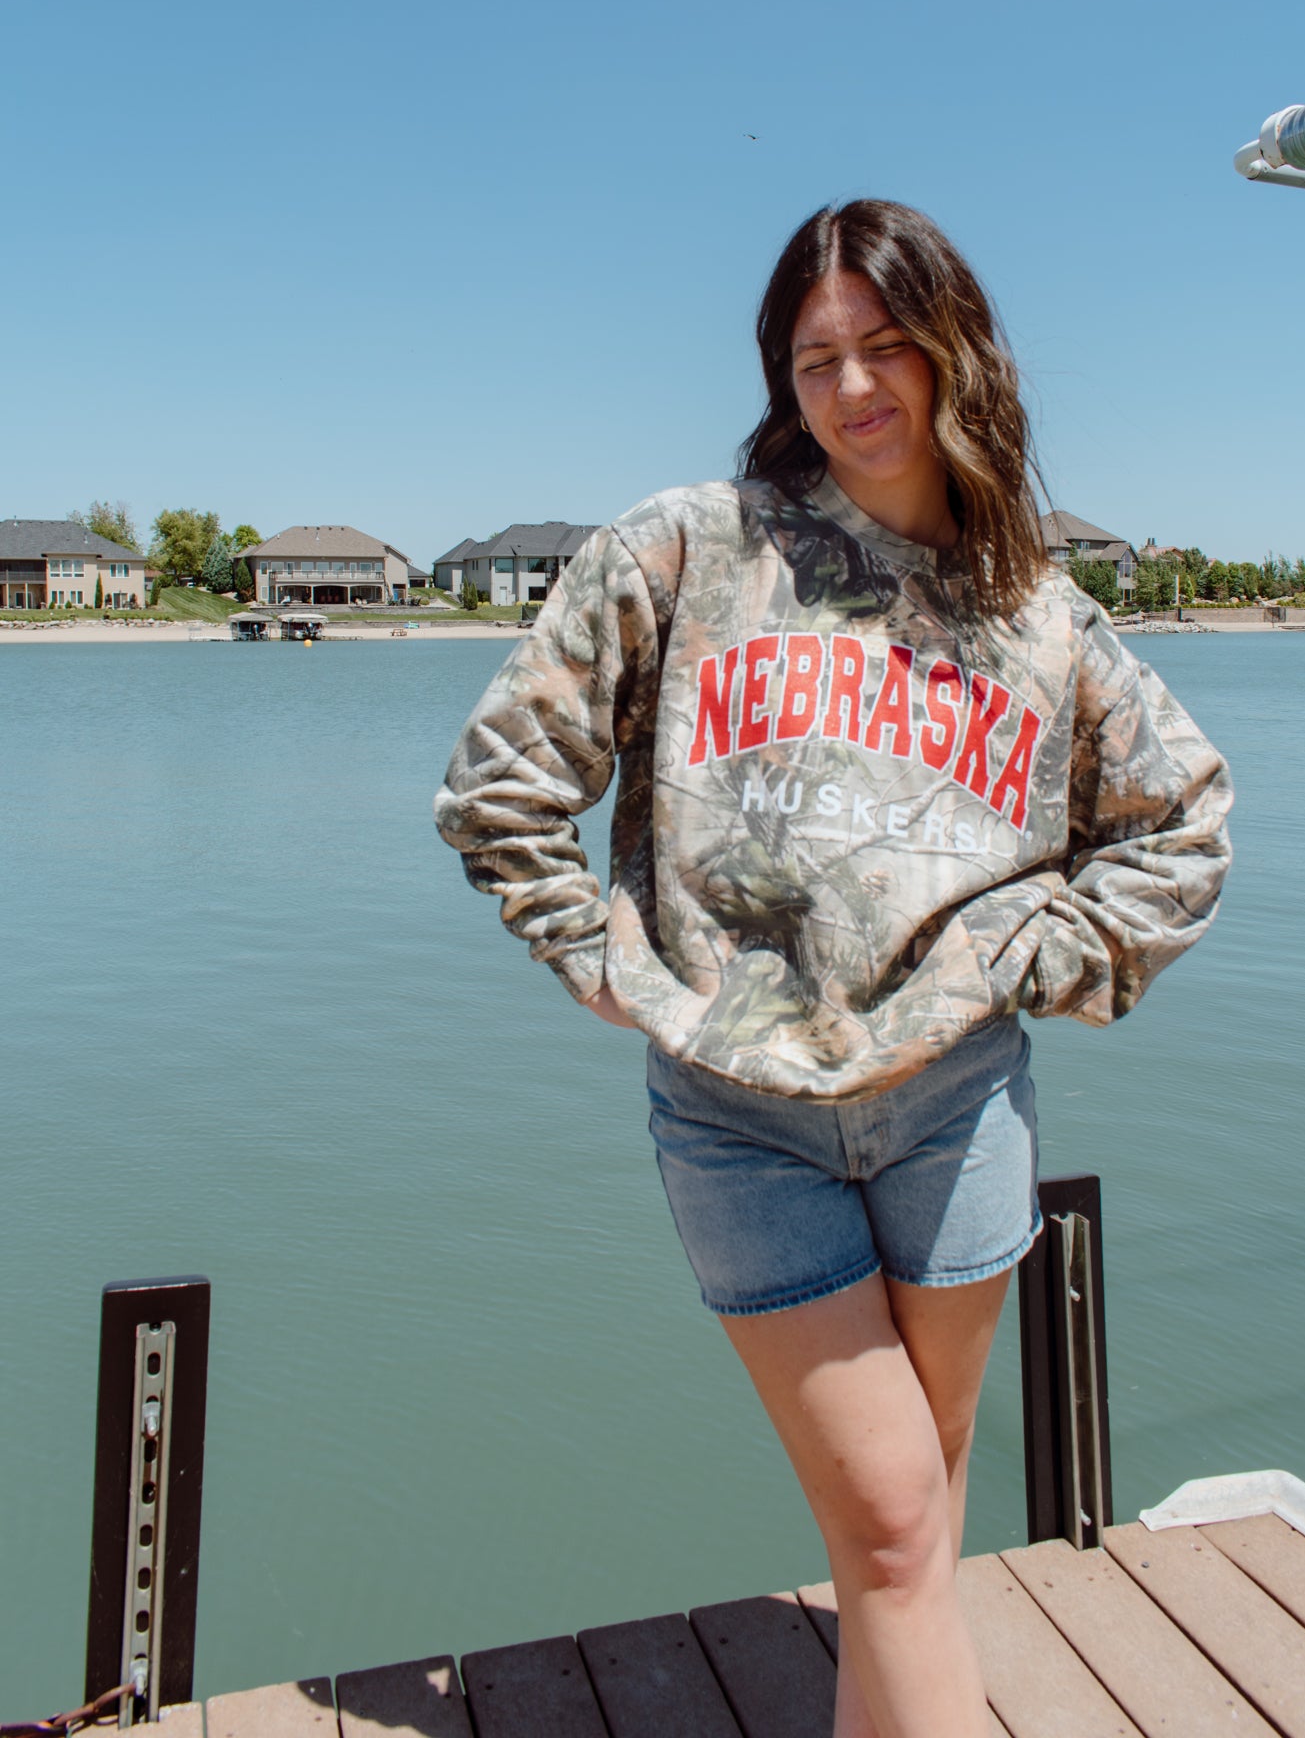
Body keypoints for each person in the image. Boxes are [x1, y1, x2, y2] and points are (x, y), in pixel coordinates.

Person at [435, 200, 1232, 1738]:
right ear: (778, 379)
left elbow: (1183, 818)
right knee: (887, 1530)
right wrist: (588, 949)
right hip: (741, 1115)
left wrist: (1029, 950)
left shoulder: (1035, 612)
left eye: (884, 348)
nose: (853, 388)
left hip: (956, 1107)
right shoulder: (682, 548)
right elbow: (502, 782)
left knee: (908, 1525)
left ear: (956, 353)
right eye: (815, 360)